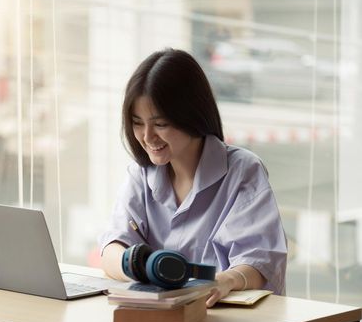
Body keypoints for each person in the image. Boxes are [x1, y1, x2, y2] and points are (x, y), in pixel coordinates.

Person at [98, 48, 287, 307]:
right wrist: (141, 267)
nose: (147, 136)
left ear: (190, 115)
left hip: (226, 320)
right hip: (157, 318)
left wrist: (226, 281)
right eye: (137, 123)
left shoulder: (243, 171)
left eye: (160, 124)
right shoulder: (141, 174)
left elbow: (259, 263)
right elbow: (111, 249)